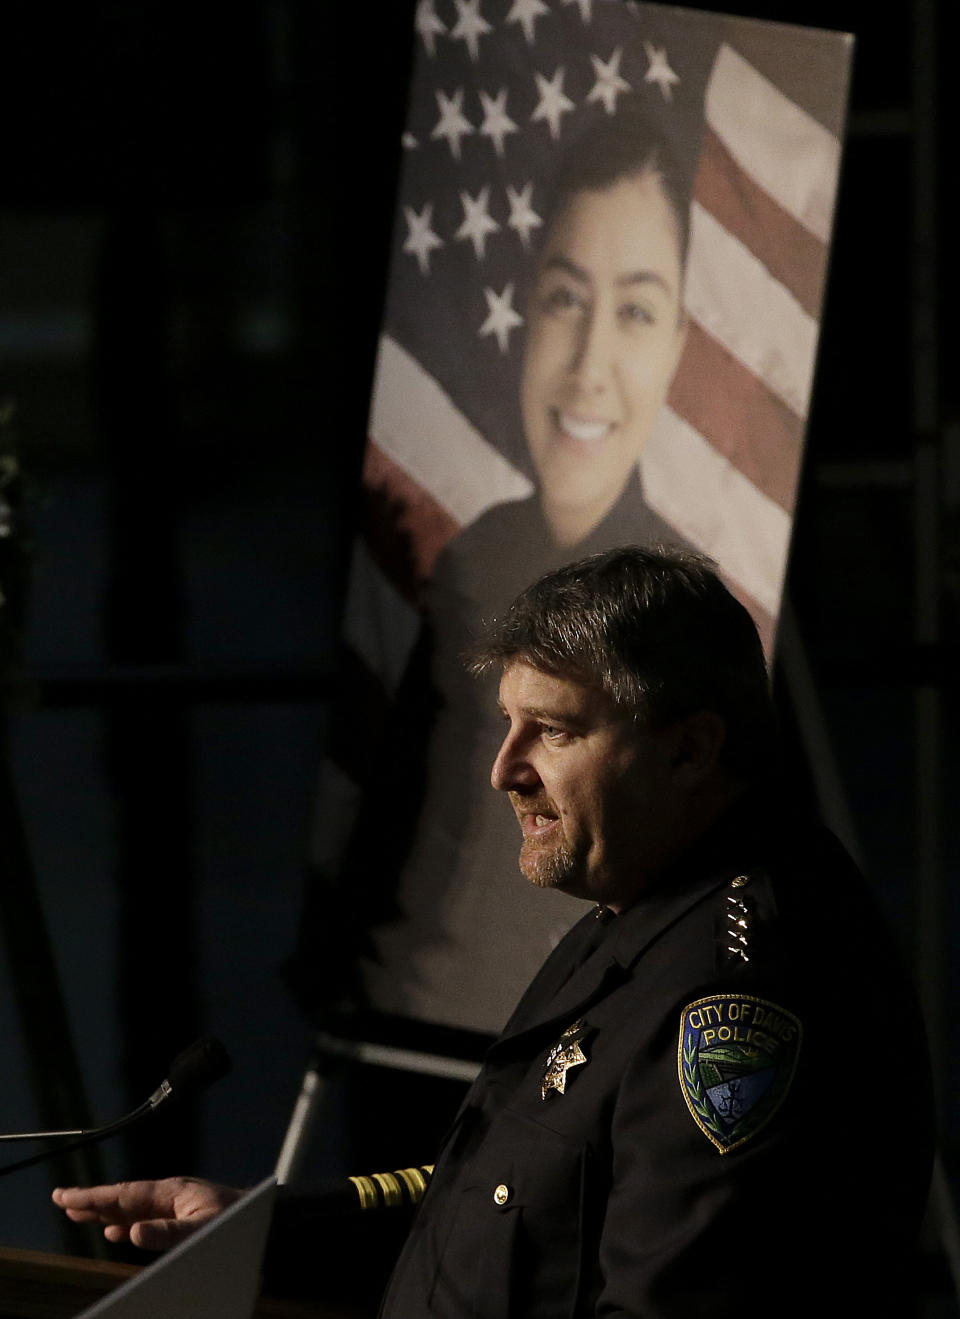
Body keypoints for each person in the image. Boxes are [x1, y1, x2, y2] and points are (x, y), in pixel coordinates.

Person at [54, 547, 935, 1316]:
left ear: (691, 749)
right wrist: (260, 1230)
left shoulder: (732, 998)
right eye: (508, 725)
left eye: (551, 731)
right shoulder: (644, 905)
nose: (504, 769)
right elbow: (517, 1202)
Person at [354, 104, 699, 1035]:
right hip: (417, 1031)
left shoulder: (685, 606)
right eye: (563, 297)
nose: (589, 362)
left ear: (676, 347)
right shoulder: (467, 558)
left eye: (633, 310)